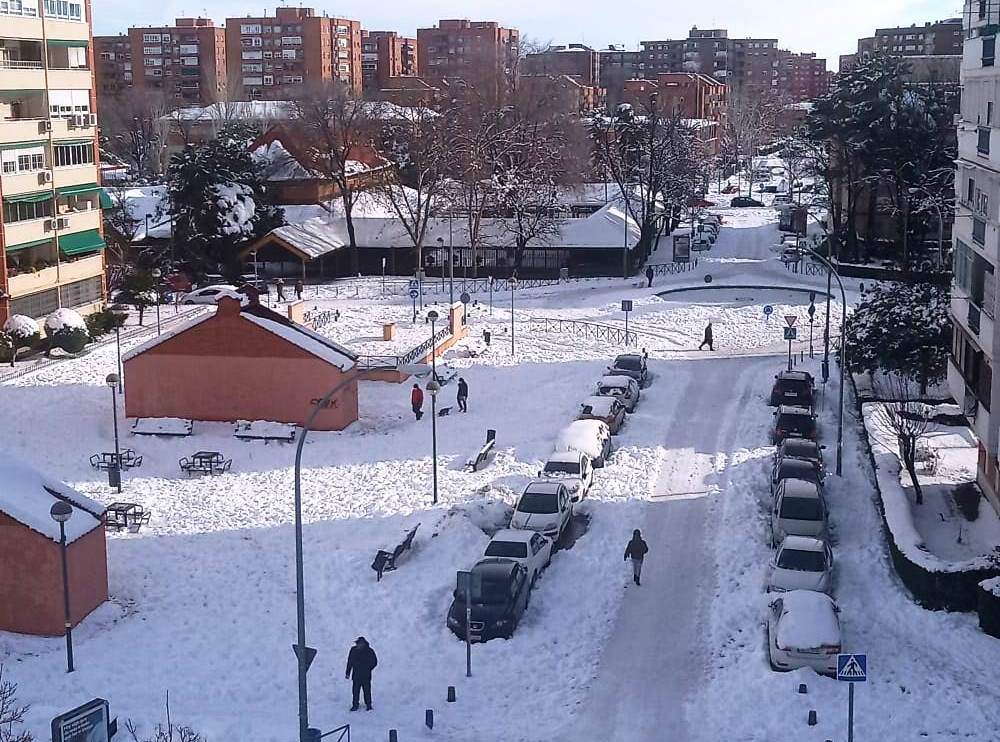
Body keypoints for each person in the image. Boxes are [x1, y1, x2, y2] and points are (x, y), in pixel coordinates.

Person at [345, 636, 378, 711]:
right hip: (356, 675)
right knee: (355, 691)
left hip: (366, 675)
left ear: (364, 644)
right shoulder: (353, 650)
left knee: (367, 691)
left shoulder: (369, 651)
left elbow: (374, 661)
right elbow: (350, 662)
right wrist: (348, 672)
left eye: (361, 644)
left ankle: (368, 705)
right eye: (358, 644)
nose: (359, 645)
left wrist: (368, 668)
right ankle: (355, 705)